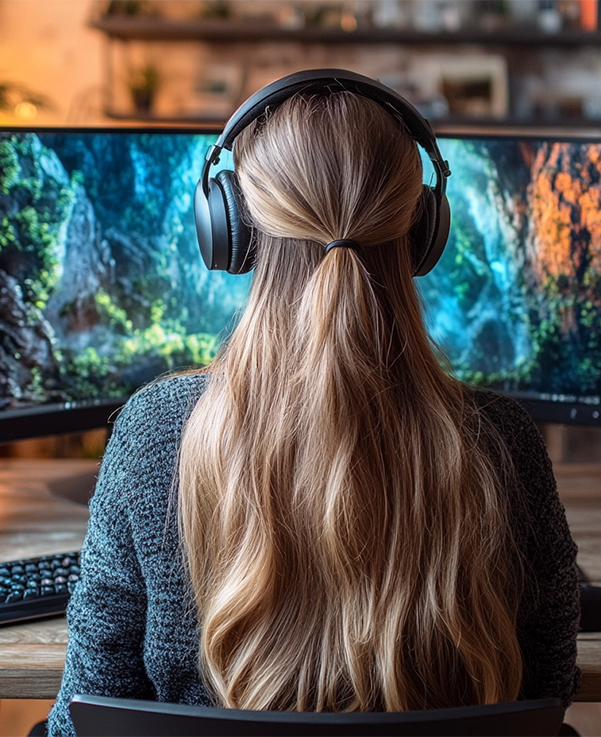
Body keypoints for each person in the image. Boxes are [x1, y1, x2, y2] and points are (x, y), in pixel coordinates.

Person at [46, 71, 580, 736]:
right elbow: (549, 696)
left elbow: (83, 714)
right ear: (420, 231)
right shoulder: (502, 440)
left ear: (229, 226)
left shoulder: (154, 433)